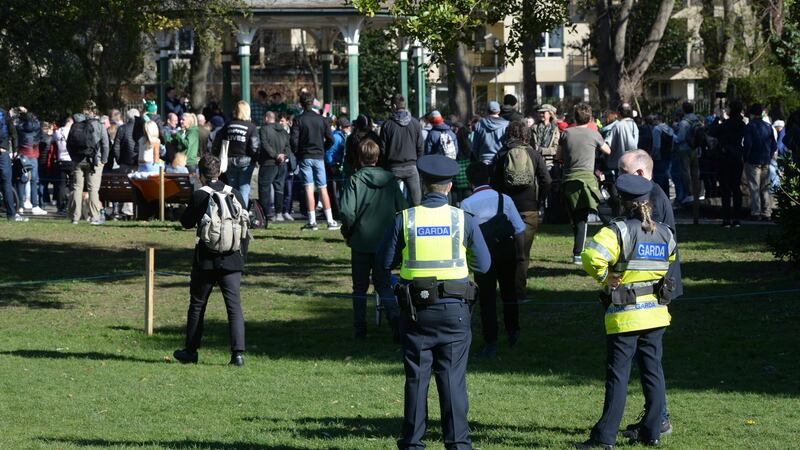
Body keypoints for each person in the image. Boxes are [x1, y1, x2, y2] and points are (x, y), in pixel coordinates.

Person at [376, 154, 490, 450]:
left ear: (424, 184)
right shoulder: (462, 219)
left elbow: (383, 263)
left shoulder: (406, 219)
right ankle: (457, 444)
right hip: (455, 309)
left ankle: (413, 443)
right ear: (450, 186)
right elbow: (485, 264)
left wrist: (395, 290)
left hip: (415, 310)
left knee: (416, 378)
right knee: (452, 379)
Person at [576, 174, 677, 449]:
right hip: (656, 314)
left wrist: (605, 276)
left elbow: (590, 256)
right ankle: (651, 432)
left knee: (618, 376)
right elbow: (669, 260)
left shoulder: (617, 230)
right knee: (653, 372)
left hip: (625, 316)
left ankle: (604, 438)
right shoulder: (665, 232)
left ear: (623, 201)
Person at [174, 153, 249, 367]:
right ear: (220, 172)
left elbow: (186, 222)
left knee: (197, 304)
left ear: (201, 174)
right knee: (234, 306)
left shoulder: (200, 195)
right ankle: (238, 354)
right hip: (233, 258)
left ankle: (191, 350)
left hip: (206, 259)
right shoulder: (233, 193)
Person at [340, 139, 407, 339]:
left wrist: (348, 230)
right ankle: (394, 319)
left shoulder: (354, 181)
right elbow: (403, 209)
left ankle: (360, 328)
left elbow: (347, 212)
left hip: (361, 240)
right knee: (384, 283)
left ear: (360, 158)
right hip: (385, 242)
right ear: (377, 158)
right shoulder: (390, 180)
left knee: (359, 287)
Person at [461, 161, 526, 358]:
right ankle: (513, 331)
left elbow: (465, 236)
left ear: (470, 182)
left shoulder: (467, 204)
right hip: (506, 251)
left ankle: (491, 341)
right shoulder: (503, 198)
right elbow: (520, 228)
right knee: (509, 293)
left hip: (483, 255)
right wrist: (520, 254)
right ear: (489, 178)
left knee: (487, 299)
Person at [491, 121, 551, 306]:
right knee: (522, 254)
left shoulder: (500, 154)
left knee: (504, 251)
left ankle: (504, 289)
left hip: (505, 209)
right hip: (528, 208)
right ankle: (519, 292)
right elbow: (547, 180)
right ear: (526, 135)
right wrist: (539, 199)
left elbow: (493, 181)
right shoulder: (533, 153)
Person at [559, 103, 611, 264]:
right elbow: (608, 151)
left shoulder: (566, 133)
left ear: (574, 117)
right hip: (587, 181)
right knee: (590, 216)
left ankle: (578, 251)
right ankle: (578, 253)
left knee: (574, 218)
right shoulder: (593, 134)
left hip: (568, 179)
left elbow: (559, 155)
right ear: (590, 118)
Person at [291, 93, 338, 230]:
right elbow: (331, 139)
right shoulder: (321, 120)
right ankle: (330, 221)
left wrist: (297, 153)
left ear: (301, 104)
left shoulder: (298, 120)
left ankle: (312, 222)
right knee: (323, 188)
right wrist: (323, 149)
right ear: (313, 103)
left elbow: (294, 141)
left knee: (308, 188)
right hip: (319, 156)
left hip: (305, 156)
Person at [212, 100, 259, 208]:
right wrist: (255, 160)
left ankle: (233, 216)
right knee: (244, 189)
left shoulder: (228, 125)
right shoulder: (251, 127)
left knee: (232, 189)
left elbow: (218, 142)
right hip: (245, 162)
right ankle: (242, 215)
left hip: (229, 162)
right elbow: (254, 147)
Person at [67, 105, 110, 225]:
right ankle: (94, 217)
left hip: (78, 160)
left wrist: (73, 158)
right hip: (95, 161)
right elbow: (105, 144)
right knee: (93, 189)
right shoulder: (99, 125)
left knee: (77, 188)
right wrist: (104, 160)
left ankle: (75, 217)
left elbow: (68, 144)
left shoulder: (75, 125)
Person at [380, 94, 424, 206]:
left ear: (394, 106)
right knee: (416, 203)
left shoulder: (387, 125)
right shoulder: (415, 123)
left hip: (393, 167)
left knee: (392, 203)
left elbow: (383, 149)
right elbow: (420, 147)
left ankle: (396, 223)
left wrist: (385, 166)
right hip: (412, 166)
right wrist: (417, 162)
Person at [708, 100, 746, 227]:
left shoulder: (726, 124)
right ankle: (737, 218)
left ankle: (726, 218)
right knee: (736, 187)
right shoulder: (741, 124)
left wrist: (717, 119)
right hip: (737, 157)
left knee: (725, 188)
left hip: (725, 157)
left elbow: (712, 131)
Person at [743, 103, 777, 221]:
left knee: (754, 187)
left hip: (753, 160)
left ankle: (756, 212)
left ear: (752, 114)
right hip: (765, 160)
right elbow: (774, 145)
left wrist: (745, 157)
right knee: (765, 187)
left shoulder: (750, 126)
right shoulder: (768, 126)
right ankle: (767, 212)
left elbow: (748, 144)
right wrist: (769, 155)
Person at [257, 111, 290, 223]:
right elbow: (288, 146)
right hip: (282, 163)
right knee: (279, 188)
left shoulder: (264, 129)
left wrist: (276, 156)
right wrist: (283, 155)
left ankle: (267, 213)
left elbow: (264, 144)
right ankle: (279, 213)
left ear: (266, 118)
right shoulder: (283, 131)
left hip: (268, 163)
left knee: (264, 188)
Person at [15, 107, 45, 215]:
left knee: (21, 180)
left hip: (22, 154)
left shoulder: (19, 126)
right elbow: (41, 136)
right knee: (34, 180)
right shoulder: (37, 126)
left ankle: (20, 206)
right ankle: (35, 205)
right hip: (34, 154)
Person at [0, 105, 25, 221]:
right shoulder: (4, 114)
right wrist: (15, 151)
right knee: (6, 184)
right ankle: (11, 214)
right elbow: (13, 133)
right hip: (3, 152)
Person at [324, 117, 351, 221]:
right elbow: (328, 153)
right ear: (341, 127)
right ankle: (336, 213)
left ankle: (338, 212)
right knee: (334, 191)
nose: (348, 128)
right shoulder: (337, 137)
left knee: (337, 190)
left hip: (336, 166)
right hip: (333, 166)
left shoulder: (339, 136)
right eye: (346, 126)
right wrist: (332, 165)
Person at [53, 117, 74, 215]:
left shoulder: (58, 132)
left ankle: (61, 206)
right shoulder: (72, 131)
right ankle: (71, 205)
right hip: (71, 159)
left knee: (61, 185)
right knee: (72, 184)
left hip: (61, 159)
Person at [533, 104, 560, 169]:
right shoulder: (534, 128)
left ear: (550, 114)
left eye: (543, 112)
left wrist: (541, 150)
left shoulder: (555, 129)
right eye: (540, 113)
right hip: (535, 162)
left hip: (549, 164)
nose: (541, 114)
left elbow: (556, 149)